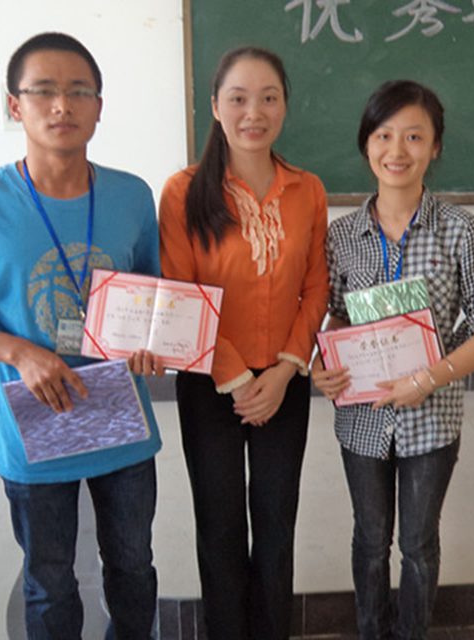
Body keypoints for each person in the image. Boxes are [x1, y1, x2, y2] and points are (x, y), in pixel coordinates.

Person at [0, 32, 163, 640]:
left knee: (134, 568)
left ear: (99, 107)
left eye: (79, 92)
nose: (62, 106)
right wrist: (20, 352)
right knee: (49, 580)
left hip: (120, 419)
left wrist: (154, 343)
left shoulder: (132, 195)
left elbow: (149, 295)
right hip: (34, 422)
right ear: (14, 105)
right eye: (44, 91)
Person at [312, 80, 474, 640]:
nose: (396, 150)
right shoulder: (342, 235)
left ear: (435, 147)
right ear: (366, 144)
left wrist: (429, 377)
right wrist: (322, 362)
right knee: (369, 539)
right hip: (363, 417)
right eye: (383, 135)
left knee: (418, 544)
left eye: (414, 136)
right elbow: (334, 317)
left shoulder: (460, 230)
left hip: (432, 417)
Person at [158, 47, 329, 639]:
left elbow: (316, 286)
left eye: (268, 98)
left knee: (277, 525)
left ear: (284, 105)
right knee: (221, 525)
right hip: (210, 384)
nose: (253, 112)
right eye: (238, 98)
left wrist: (283, 371)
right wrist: (236, 379)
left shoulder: (307, 189)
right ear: (215, 106)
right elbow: (181, 293)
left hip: (284, 382)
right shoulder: (183, 192)